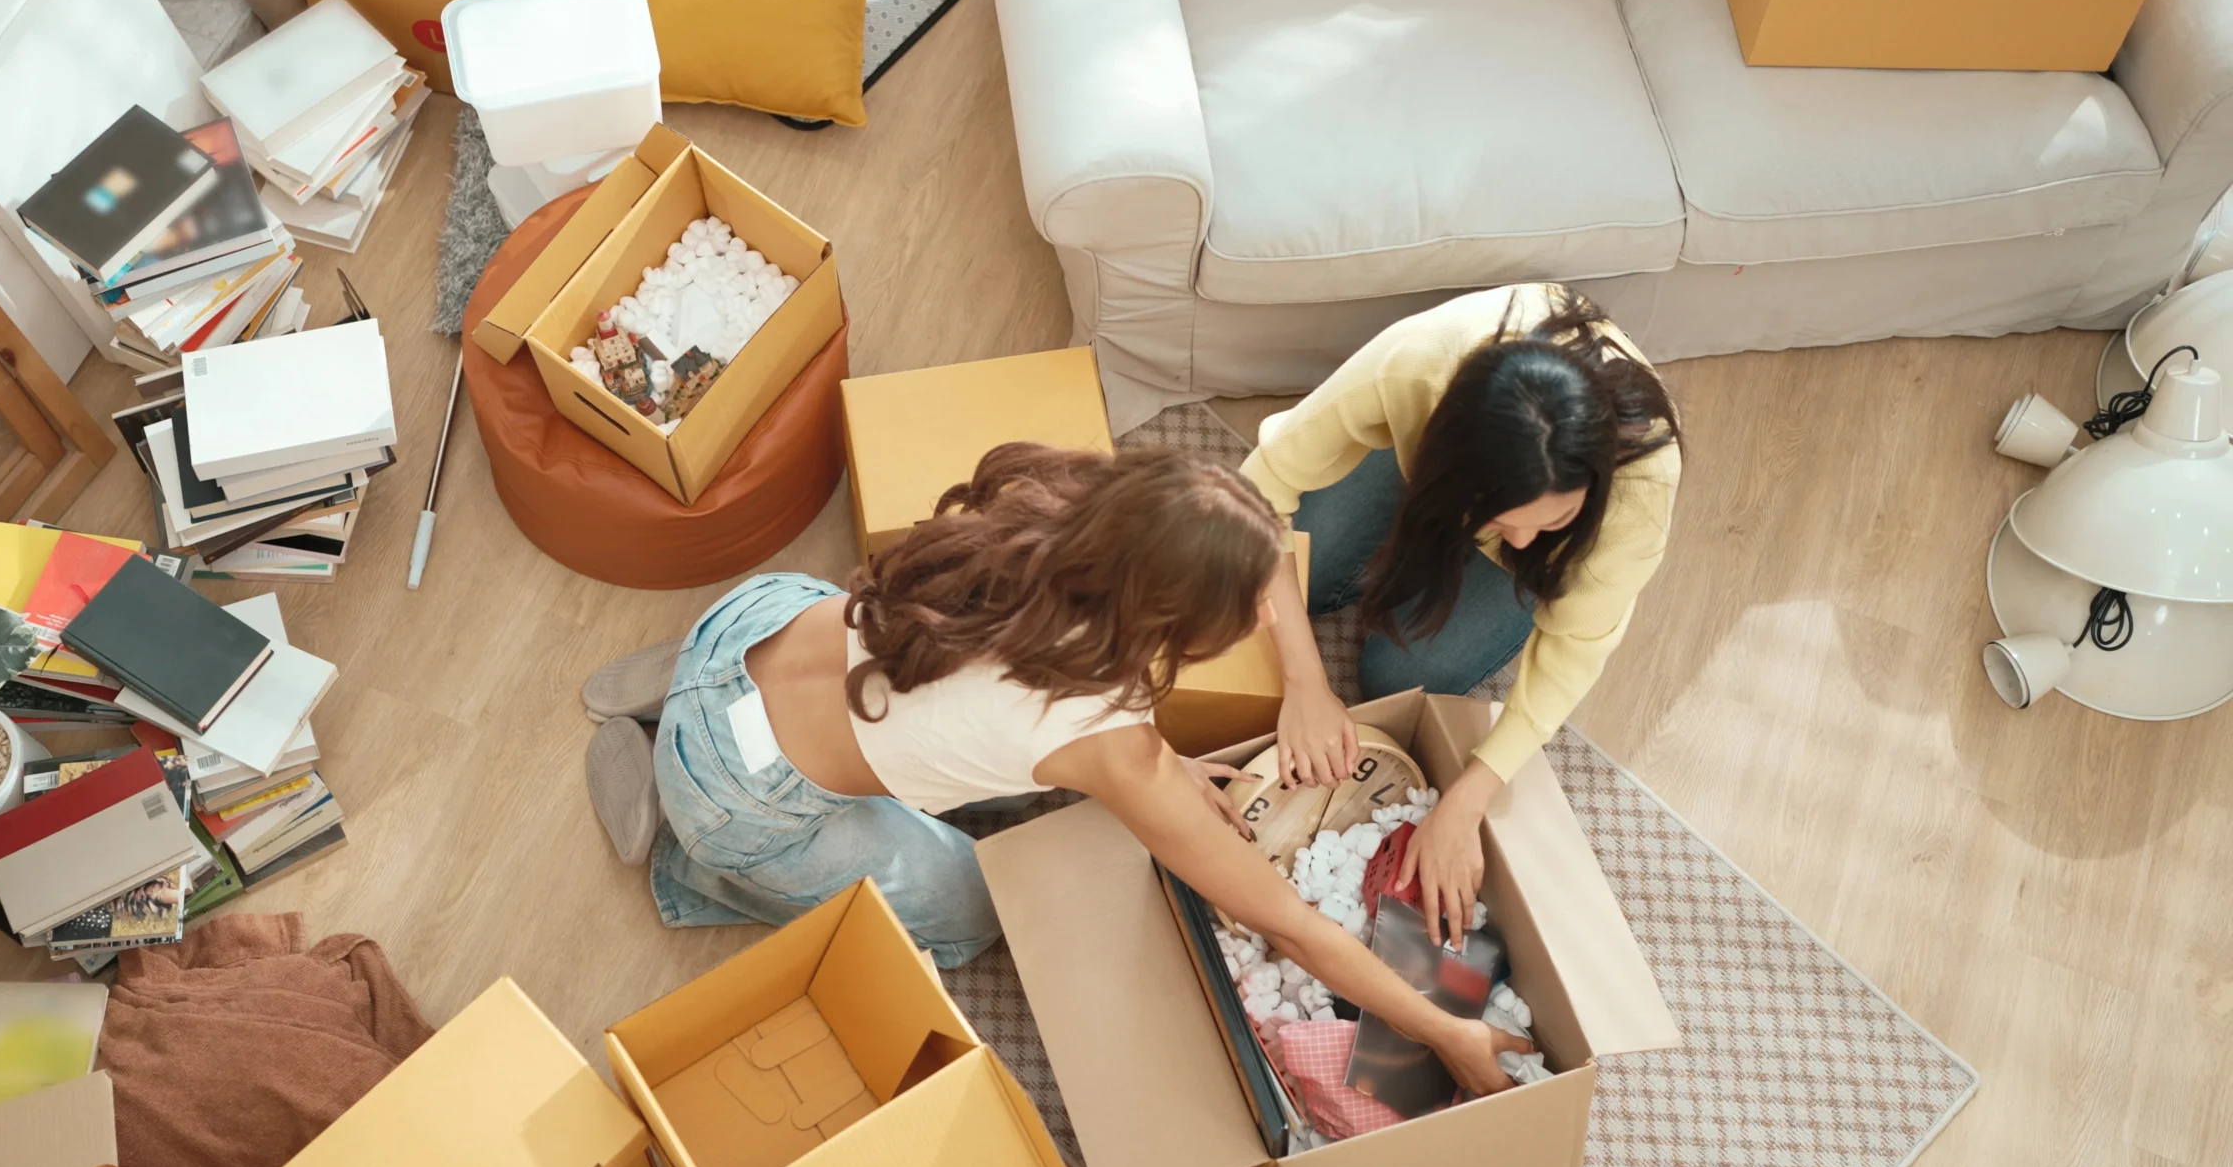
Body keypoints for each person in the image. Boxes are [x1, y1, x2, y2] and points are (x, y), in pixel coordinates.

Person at [581, 443, 1533, 1095]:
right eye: (1242, 612)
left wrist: (1156, 773)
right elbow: (1279, 917)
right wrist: (1441, 1027)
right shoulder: (1108, 740)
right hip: (743, 797)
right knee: (974, 910)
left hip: (751, 623)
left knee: (938, 742)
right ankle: (683, 837)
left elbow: (1076, 729)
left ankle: (679, 690)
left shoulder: (1066, 500)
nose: (1263, 621)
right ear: (1172, 625)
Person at [1243, 283, 1681, 952]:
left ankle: (1519, 520)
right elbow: (1259, 489)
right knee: (1286, 573)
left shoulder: (1640, 489)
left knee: (1399, 674)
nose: (1527, 541)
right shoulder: (1415, 366)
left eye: (1554, 521)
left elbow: (1576, 648)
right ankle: (1441, 508)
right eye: (1504, 521)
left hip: (1481, 490)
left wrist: (1471, 794)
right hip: (1433, 464)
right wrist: (1303, 678)